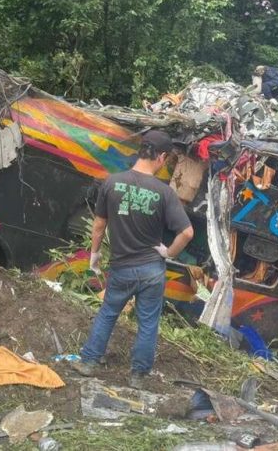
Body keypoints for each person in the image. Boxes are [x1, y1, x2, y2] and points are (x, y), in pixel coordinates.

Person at [72, 130, 194, 389]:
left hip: (122, 268)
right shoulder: (165, 192)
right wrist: (169, 253)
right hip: (152, 270)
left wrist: (94, 255)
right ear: (161, 157)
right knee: (148, 323)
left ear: (142, 150)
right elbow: (187, 233)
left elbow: (98, 225)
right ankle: (138, 376)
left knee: (108, 313)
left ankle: (89, 362)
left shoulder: (112, 182)